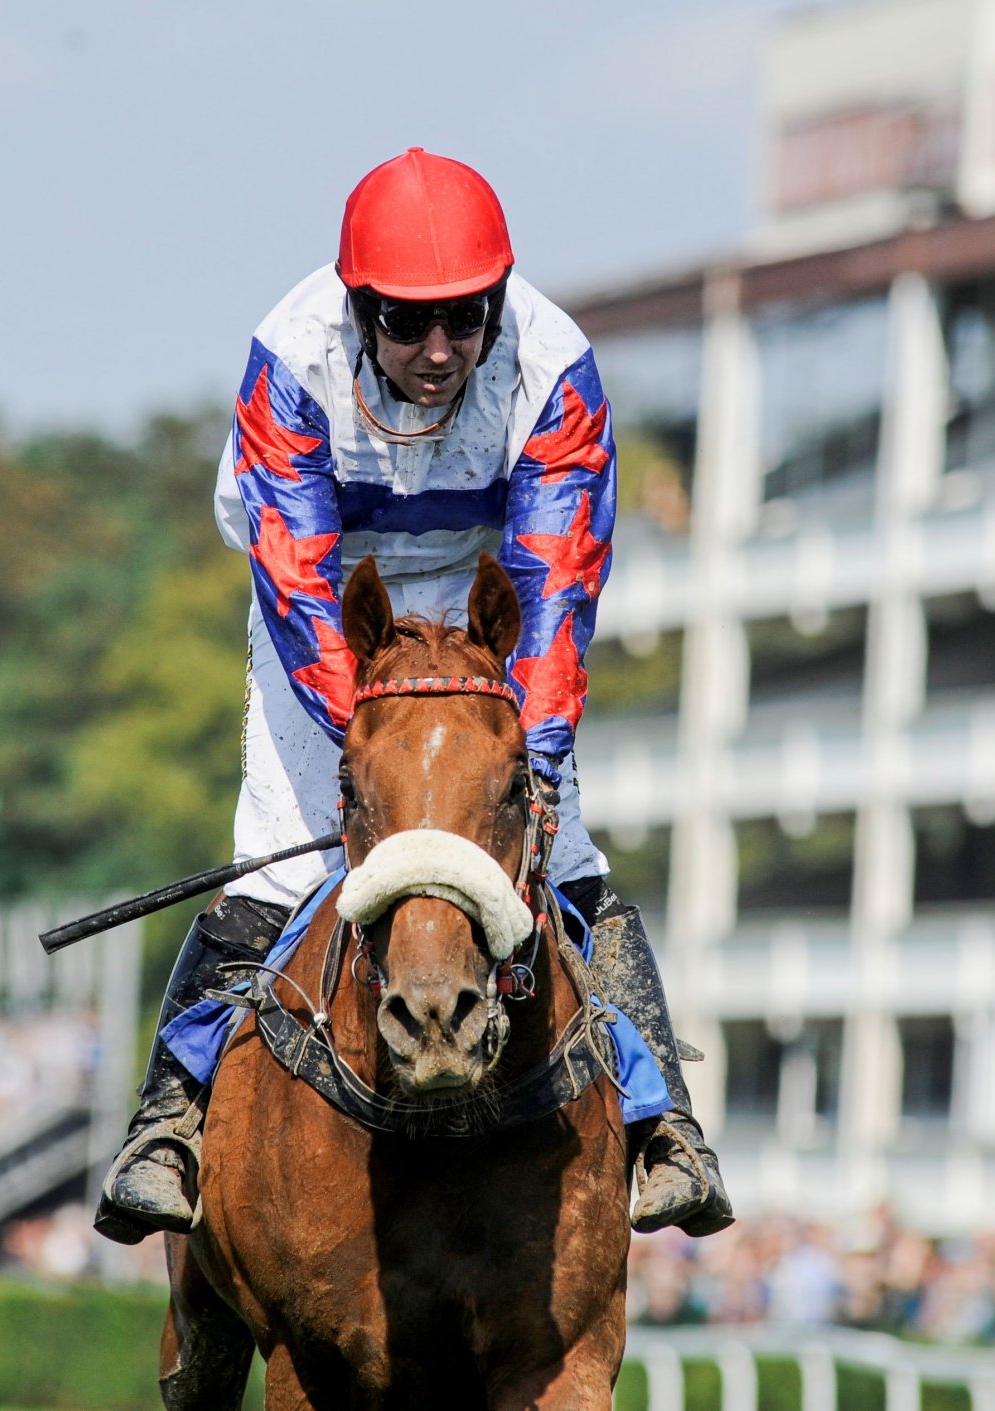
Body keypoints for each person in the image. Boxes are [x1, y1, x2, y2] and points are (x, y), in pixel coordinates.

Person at [95, 148, 732, 1246]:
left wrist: (513, 759)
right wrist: (381, 752)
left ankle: (664, 1121)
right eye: (404, 324)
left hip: (493, 591)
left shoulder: (556, 369)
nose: (439, 352)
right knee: (293, 845)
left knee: (559, 845)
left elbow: (556, 582)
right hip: (340, 593)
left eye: (466, 318)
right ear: (356, 310)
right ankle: (169, 1121)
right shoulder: (289, 361)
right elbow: (300, 582)